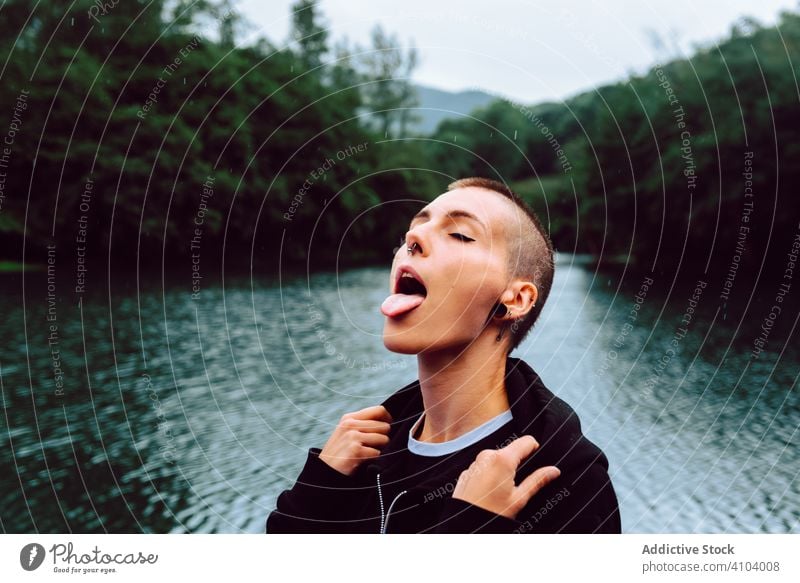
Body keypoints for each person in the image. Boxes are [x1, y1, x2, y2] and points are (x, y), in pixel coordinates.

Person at [266, 177, 621, 533]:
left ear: (515, 300)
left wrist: (476, 525)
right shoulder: (358, 460)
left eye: (461, 235)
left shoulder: (566, 479)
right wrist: (317, 494)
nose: (412, 239)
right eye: (414, 228)